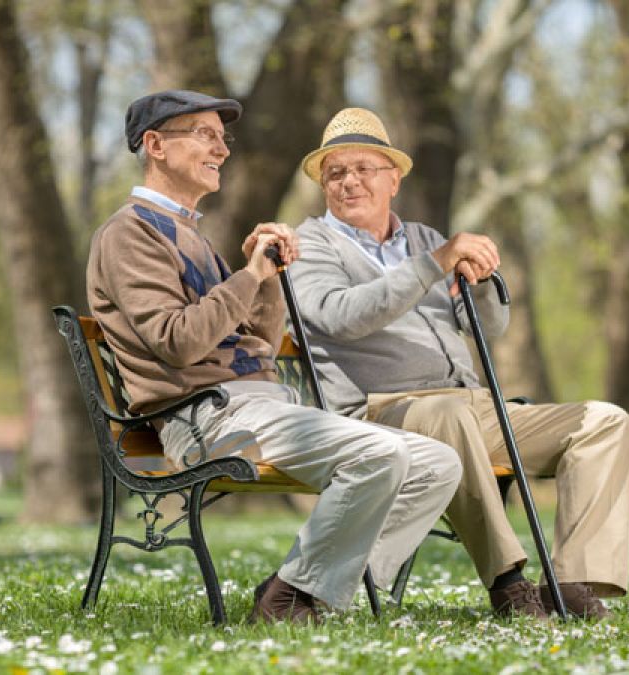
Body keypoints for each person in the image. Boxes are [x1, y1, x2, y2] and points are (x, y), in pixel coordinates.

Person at [85, 91, 462, 624]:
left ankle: (305, 591)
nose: (221, 148)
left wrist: (268, 280)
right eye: (204, 134)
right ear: (155, 145)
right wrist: (249, 277)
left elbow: (256, 342)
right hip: (205, 419)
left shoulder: (191, 236)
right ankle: (290, 600)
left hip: (254, 408)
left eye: (223, 137)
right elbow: (177, 342)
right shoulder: (130, 234)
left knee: (439, 463)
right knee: (379, 454)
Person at [289, 108, 629, 620]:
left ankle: (574, 587)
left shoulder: (425, 238)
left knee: (605, 422)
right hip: (380, 414)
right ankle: (508, 584)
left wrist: (483, 283)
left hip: (474, 406)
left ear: (394, 179)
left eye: (363, 168)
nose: (348, 182)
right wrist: (433, 265)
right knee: (448, 421)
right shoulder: (312, 243)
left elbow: (486, 330)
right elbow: (341, 317)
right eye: (335, 173)